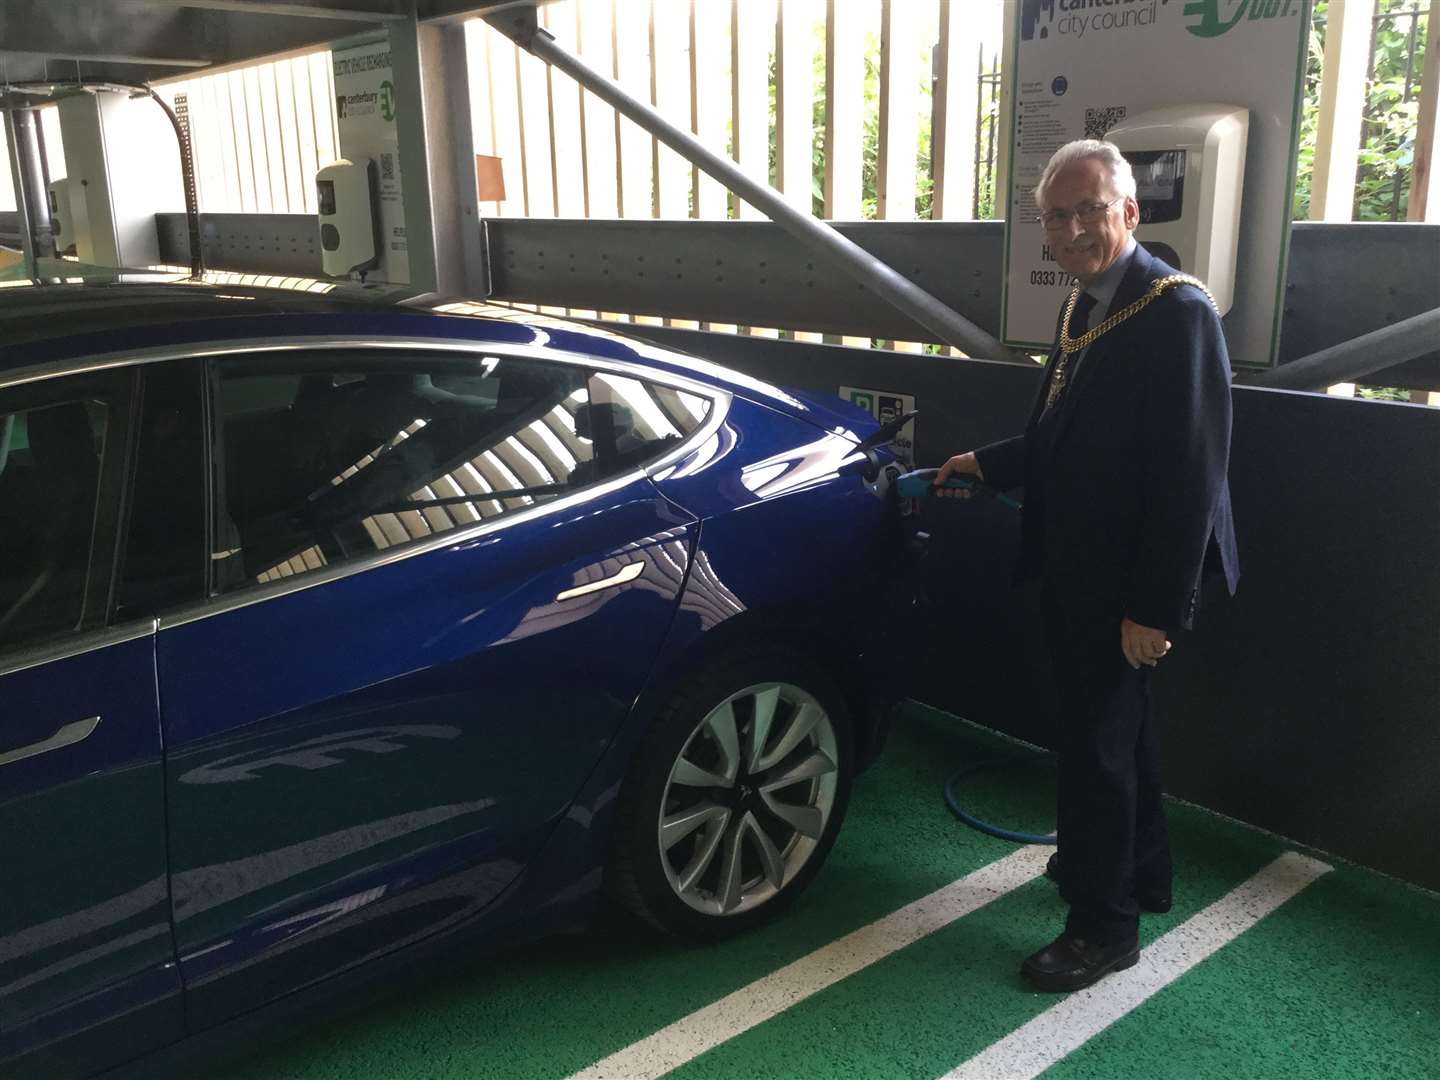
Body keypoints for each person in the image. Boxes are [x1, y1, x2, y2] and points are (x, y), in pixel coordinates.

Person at [935, 139, 1239, 992]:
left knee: (1096, 750)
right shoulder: (1090, 304)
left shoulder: (1175, 310)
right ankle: (1139, 875)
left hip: (1126, 585)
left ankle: (1103, 929)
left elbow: (1192, 476)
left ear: (1129, 213)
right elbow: (1059, 435)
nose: (1071, 229)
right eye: (1055, 217)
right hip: (1077, 568)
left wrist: (1155, 609)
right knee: (1118, 736)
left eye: (1089, 211)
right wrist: (987, 463)